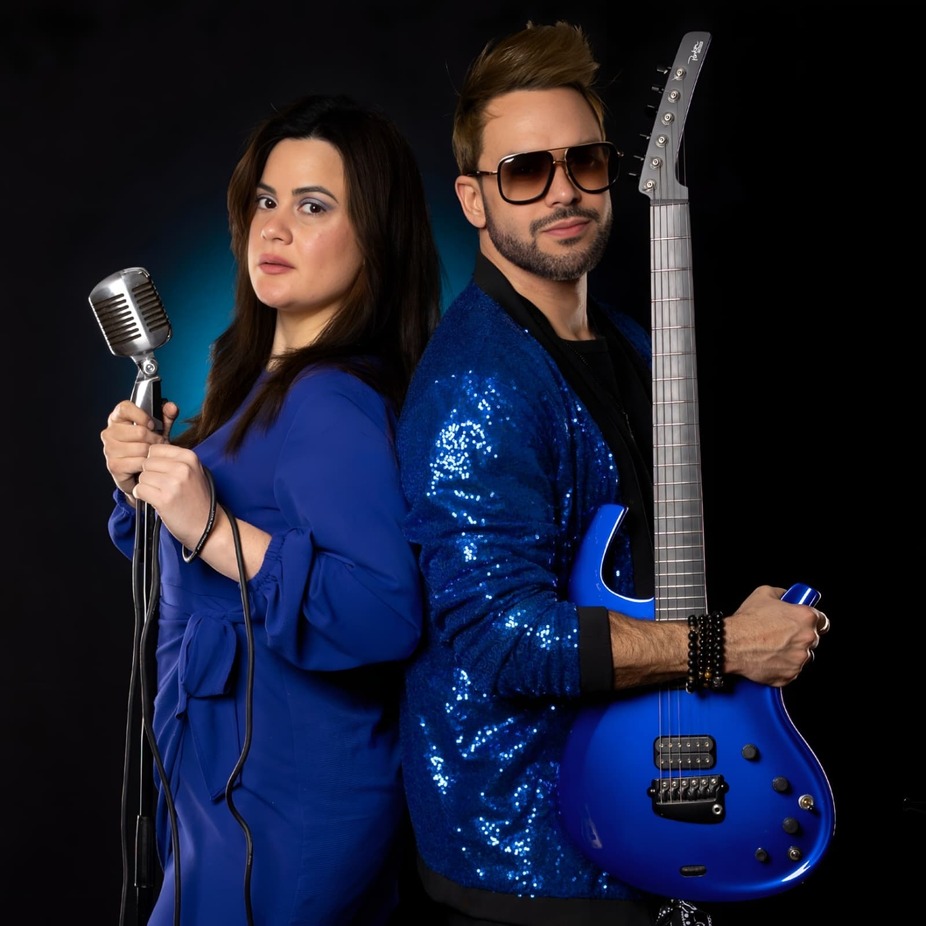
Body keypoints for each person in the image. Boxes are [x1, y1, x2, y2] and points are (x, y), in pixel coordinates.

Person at [395, 21, 831, 926]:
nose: (563, 191)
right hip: (529, 853)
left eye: (584, 162)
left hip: (643, 819)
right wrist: (723, 646)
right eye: (525, 171)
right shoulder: (477, 382)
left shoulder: (631, 342)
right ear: (473, 199)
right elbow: (501, 640)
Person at [99, 94, 442, 926]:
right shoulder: (257, 386)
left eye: (313, 207)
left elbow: (385, 611)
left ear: (375, 238)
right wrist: (144, 485)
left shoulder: (331, 401)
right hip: (220, 792)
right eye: (265, 200)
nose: (274, 228)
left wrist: (211, 526)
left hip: (287, 806)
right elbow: (198, 578)